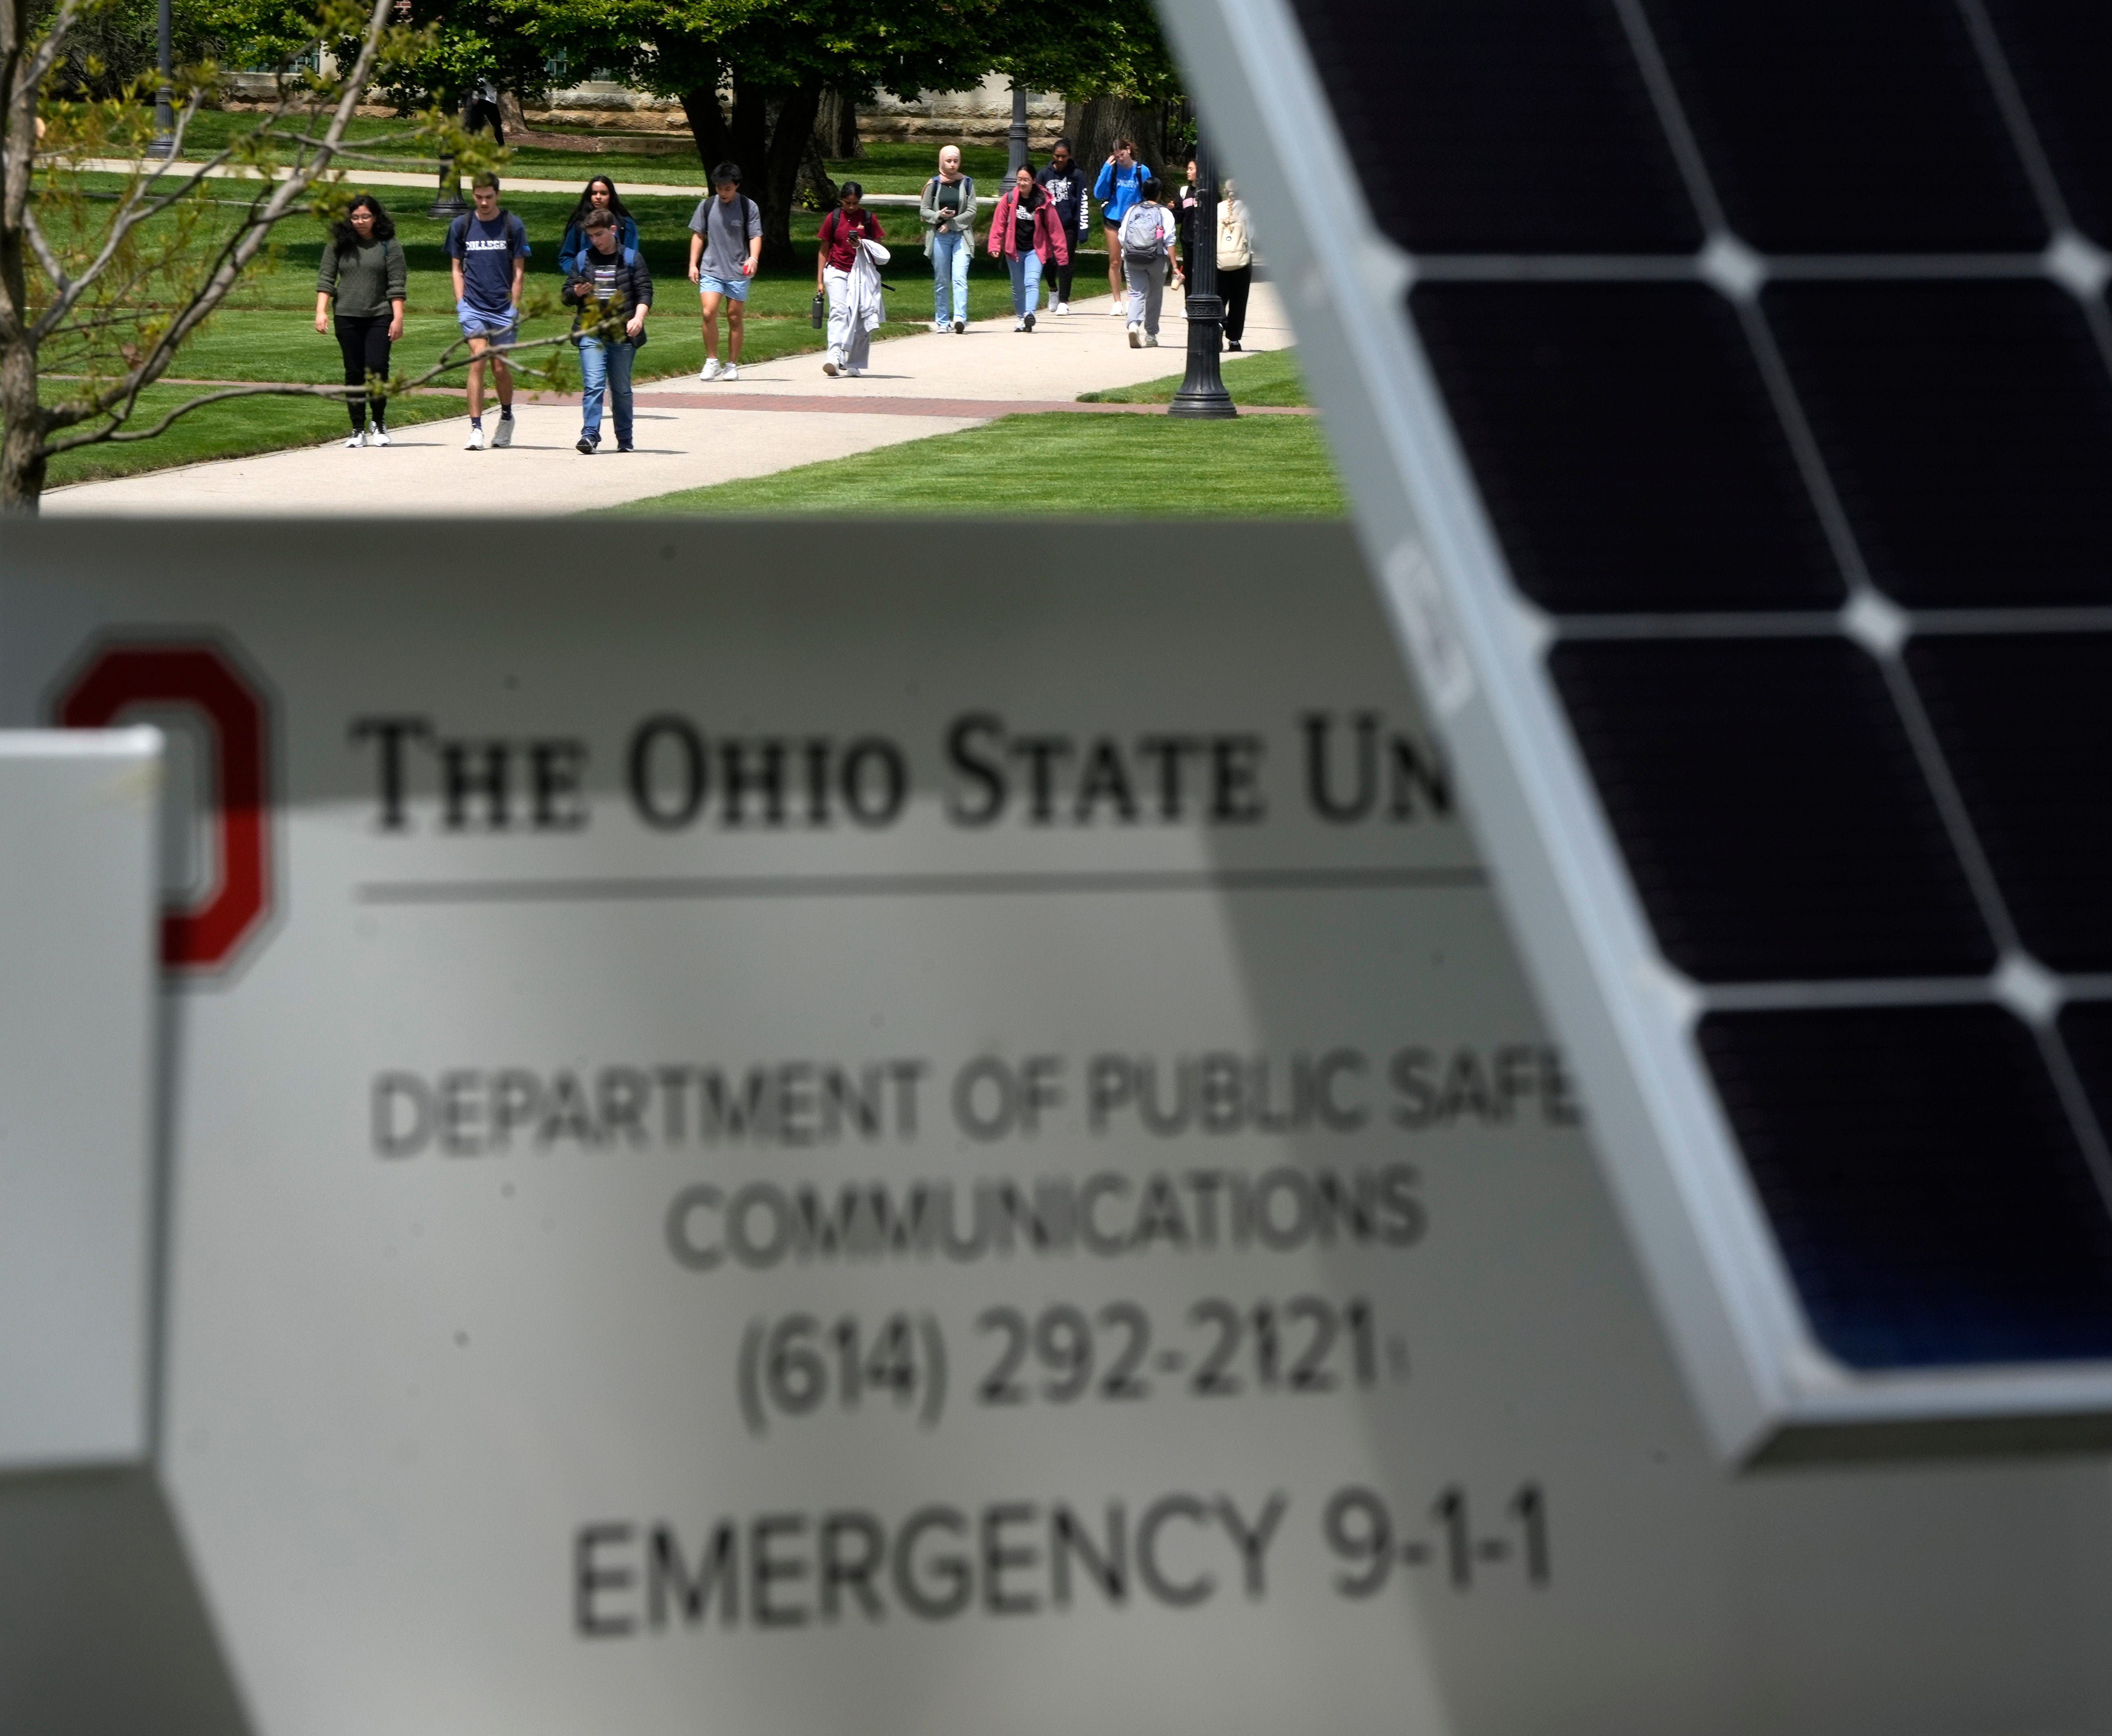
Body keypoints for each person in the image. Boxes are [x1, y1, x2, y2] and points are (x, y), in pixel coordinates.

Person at [314, 193, 406, 448]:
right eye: (355, 217)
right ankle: (357, 429)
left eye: (366, 216)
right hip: (347, 315)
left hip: (380, 315)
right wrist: (321, 312)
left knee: (377, 368)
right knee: (354, 372)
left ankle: (378, 423)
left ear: (376, 218)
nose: (360, 222)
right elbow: (326, 279)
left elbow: (397, 285)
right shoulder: (339, 244)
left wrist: (398, 318)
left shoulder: (389, 245)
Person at [446, 173, 529, 450]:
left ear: (498, 195)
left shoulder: (511, 225)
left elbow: (518, 271)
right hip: (473, 306)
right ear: (473, 195)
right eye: (479, 197)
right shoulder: (462, 225)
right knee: (478, 359)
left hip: (502, 308)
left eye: (489, 197)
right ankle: (476, 428)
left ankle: (506, 416)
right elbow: (457, 268)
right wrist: (461, 302)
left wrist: (513, 307)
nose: (484, 202)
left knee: (499, 366)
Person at [562, 208, 652, 454]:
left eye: (599, 235)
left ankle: (625, 438)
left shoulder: (632, 259)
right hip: (591, 331)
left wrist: (639, 318)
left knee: (621, 389)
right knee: (594, 385)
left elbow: (645, 292)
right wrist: (575, 293)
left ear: (613, 230)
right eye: (591, 236)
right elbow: (567, 295)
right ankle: (589, 435)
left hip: (622, 333)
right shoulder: (583, 259)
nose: (596, 241)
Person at [687, 162, 762, 381]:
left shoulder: (749, 207)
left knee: (734, 317)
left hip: (739, 270)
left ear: (737, 186)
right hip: (711, 268)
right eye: (719, 188)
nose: (723, 193)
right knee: (709, 312)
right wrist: (693, 264)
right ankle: (712, 361)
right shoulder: (707, 206)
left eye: (727, 189)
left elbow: (755, 236)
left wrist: (754, 258)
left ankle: (732, 365)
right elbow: (698, 235)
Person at [987, 164, 1068, 332]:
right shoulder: (1009, 199)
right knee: (1017, 287)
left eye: (1026, 180)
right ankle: (1021, 318)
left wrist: (1062, 256)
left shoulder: (1044, 202)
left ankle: (1029, 314)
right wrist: (995, 245)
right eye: (1019, 180)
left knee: (1031, 282)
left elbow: (1056, 230)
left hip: (1035, 250)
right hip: (1014, 249)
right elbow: (998, 224)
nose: (1022, 183)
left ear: (1034, 181)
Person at [817, 182, 885, 377]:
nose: (852, 207)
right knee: (839, 311)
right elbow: (824, 249)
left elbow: (879, 250)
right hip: (837, 269)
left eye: (855, 203)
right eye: (848, 203)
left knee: (858, 316)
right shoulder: (834, 218)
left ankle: (852, 361)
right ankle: (834, 356)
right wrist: (820, 280)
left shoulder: (869, 219)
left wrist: (862, 245)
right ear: (842, 200)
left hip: (861, 274)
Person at [919, 146, 976, 334]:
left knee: (960, 278)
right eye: (949, 161)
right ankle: (943, 321)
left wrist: (951, 223)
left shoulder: (966, 183)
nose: (953, 165)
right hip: (939, 237)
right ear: (942, 161)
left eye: (956, 161)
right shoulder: (933, 184)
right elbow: (924, 211)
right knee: (942, 280)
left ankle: (960, 318)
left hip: (961, 236)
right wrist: (938, 215)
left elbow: (972, 212)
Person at [1093, 137, 1151, 312]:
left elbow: (1148, 196)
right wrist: (1106, 168)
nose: (1121, 159)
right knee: (1115, 261)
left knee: (1133, 261)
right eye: (1117, 157)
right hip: (1113, 219)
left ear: (1129, 150)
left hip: (1135, 221)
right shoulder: (1113, 169)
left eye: (1123, 155)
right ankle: (1117, 301)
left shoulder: (1142, 171)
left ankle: (1132, 297)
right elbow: (1098, 193)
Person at [1118, 176, 1176, 349]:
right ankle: (1151, 334)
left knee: (1136, 293)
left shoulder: (1132, 211)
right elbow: (1169, 240)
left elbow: (1122, 236)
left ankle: (1134, 325)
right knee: (1155, 295)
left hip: (1132, 258)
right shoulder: (1164, 212)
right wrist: (1174, 264)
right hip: (1156, 258)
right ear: (1159, 194)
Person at [1035, 137, 1091, 314]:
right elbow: (1037, 199)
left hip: (1068, 225)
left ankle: (1064, 301)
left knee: (1065, 262)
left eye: (1064, 157)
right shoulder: (1044, 175)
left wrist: (1083, 228)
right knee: (1049, 261)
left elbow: (1083, 201)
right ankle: (1053, 289)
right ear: (1053, 155)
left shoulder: (1077, 175)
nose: (1060, 160)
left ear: (1070, 156)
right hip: (1048, 225)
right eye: (1058, 156)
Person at [558, 177, 638, 277]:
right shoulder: (579, 224)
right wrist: (578, 275)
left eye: (604, 193)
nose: (598, 197)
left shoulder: (625, 224)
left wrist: (621, 275)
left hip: (618, 281)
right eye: (594, 193)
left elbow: (632, 257)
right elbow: (567, 257)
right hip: (587, 283)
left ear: (611, 196)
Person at [1218, 177, 1254, 351]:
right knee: (1239, 302)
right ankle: (1234, 340)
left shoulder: (1218, 209)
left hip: (1220, 260)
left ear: (1226, 191)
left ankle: (1219, 324)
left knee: (1220, 298)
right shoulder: (1248, 210)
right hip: (1243, 261)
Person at [1171, 154, 1200, 296]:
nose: (1188, 172)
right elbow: (1179, 218)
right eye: (1188, 169)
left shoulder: (1210, 193)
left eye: (1191, 169)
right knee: (1188, 272)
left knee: (1204, 273)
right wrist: (1172, 210)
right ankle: (1188, 304)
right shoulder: (1184, 192)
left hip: (1205, 241)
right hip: (1188, 239)